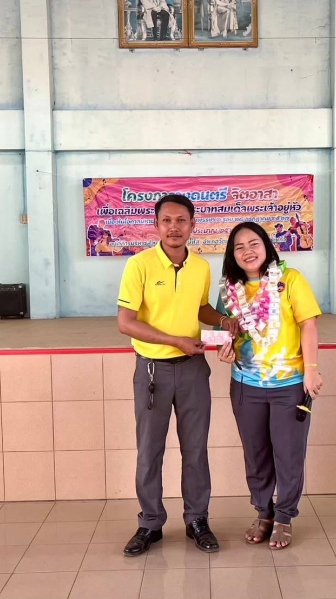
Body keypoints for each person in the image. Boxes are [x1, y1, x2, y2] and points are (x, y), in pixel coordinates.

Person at [117, 194, 239, 557]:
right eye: (167, 220)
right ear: (156, 225)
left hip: (192, 371)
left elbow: (201, 308)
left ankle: (197, 520)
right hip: (152, 371)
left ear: (192, 225)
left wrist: (224, 321)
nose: (174, 227)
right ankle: (150, 523)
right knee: (149, 451)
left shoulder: (201, 267)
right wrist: (175, 341)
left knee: (196, 450)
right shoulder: (138, 265)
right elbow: (126, 323)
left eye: (181, 220)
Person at [215, 222, 323, 550]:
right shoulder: (228, 290)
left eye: (254, 243)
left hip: (289, 384)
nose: (248, 251)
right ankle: (264, 512)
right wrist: (224, 349)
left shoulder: (290, 280)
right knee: (256, 454)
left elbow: (308, 324)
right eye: (239, 247)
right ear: (232, 255)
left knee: (288, 454)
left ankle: (285, 517)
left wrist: (311, 370)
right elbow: (225, 331)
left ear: (266, 246)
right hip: (245, 385)